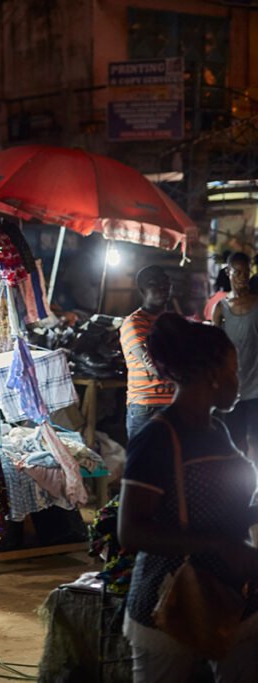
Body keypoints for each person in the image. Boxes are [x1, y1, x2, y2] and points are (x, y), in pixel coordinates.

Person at [118, 314, 258, 681]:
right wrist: (218, 545)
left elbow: (229, 508)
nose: (237, 380)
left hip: (230, 597)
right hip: (170, 601)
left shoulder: (217, 430)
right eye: (233, 370)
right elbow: (130, 532)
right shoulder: (159, 438)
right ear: (211, 374)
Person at [119, 266, 175, 440]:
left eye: (165, 283)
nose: (162, 288)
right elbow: (153, 365)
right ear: (142, 290)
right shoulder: (134, 323)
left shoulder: (173, 322)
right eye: (154, 284)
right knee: (144, 465)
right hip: (146, 407)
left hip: (173, 405)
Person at [214, 252, 258, 462]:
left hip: (256, 385)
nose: (242, 277)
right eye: (237, 272)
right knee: (236, 439)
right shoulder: (221, 309)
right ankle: (240, 489)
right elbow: (213, 347)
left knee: (255, 438)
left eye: (246, 273)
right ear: (228, 272)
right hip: (232, 386)